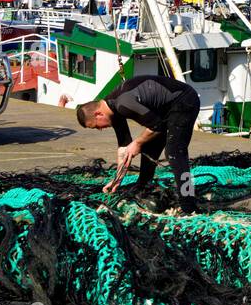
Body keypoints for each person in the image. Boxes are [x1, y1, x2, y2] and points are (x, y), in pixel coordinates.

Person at [75, 76, 201, 212]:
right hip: (164, 109)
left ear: (98, 114)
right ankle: (143, 187)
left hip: (184, 100)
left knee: (175, 152)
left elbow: (157, 126)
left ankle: (188, 204)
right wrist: (117, 180)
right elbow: (124, 148)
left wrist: (138, 142)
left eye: (96, 126)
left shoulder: (122, 104)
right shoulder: (113, 110)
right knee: (148, 146)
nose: (99, 129)